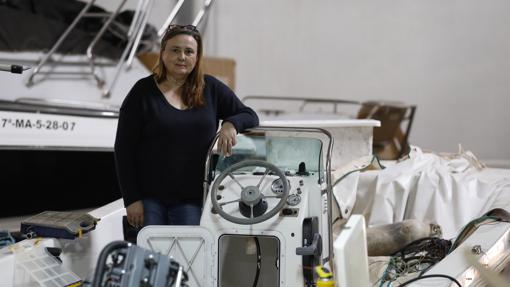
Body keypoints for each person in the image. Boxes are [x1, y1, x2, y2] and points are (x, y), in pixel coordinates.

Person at [114, 24, 259, 228]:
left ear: (197, 57)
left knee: (188, 257)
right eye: (175, 50)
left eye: (189, 51)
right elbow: (123, 150)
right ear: (163, 53)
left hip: (192, 200)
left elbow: (249, 115)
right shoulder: (142, 93)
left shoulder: (211, 89)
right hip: (149, 200)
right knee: (152, 258)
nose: (182, 56)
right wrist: (131, 200)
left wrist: (230, 124)